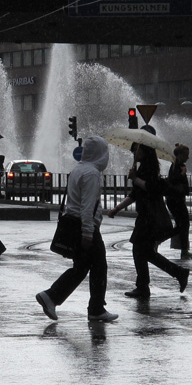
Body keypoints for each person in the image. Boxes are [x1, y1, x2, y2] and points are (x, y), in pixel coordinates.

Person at [35, 136, 118, 323]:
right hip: (85, 226)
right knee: (99, 267)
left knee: (81, 267)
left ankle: (52, 296)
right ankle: (95, 309)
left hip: (74, 223)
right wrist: (88, 232)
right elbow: (87, 207)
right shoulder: (92, 174)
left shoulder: (78, 169)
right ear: (100, 153)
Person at [108, 139, 189, 298]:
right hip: (145, 216)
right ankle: (178, 273)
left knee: (140, 251)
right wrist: (117, 208)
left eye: (137, 150)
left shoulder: (149, 169)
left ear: (145, 152)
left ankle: (144, 286)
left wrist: (135, 179)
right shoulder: (142, 168)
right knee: (146, 253)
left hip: (149, 218)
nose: (134, 153)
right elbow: (135, 194)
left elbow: (152, 188)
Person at [164, 144, 192, 260]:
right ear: (180, 155)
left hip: (176, 199)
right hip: (174, 200)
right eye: (186, 155)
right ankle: (159, 240)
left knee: (182, 225)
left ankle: (184, 250)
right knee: (183, 225)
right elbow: (172, 180)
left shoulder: (179, 165)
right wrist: (182, 174)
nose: (188, 157)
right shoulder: (175, 166)